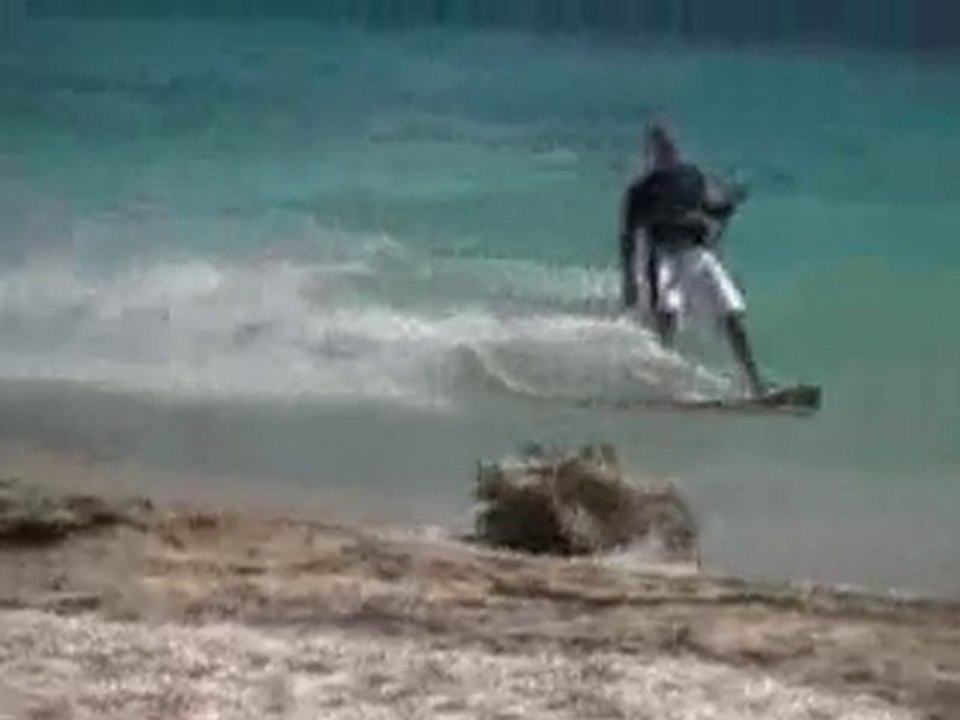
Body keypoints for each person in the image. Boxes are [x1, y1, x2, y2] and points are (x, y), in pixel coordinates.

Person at [618, 122, 767, 398]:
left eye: (669, 144)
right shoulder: (640, 191)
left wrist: (729, 204)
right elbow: (628, 237)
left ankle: (755, 384)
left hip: (699, 256)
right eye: (659, 145)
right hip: (663, 259)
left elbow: (710, 209)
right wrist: (630, 280)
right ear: (650, 152)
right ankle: (658, 388)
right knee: (667, 316)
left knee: (731, 314)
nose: (666, 150)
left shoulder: (692, 177)